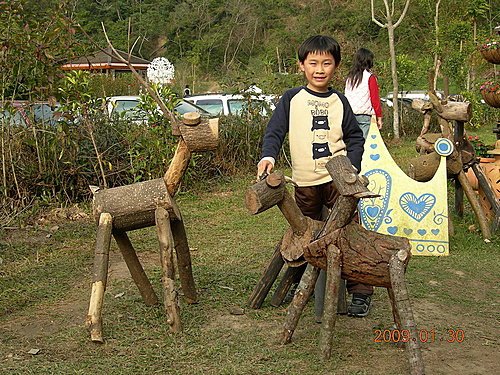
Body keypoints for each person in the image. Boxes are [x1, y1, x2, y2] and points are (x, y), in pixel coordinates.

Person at [257, 35, 373, 318]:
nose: (320, 69)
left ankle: (360, 290)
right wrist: (268, 156)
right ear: (301, 66)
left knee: (350, 232)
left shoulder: (339, 101)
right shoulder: (291, 99)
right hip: (305, 183)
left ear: (336, 66)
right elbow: (274, 132)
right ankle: (303, 282)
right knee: (305, 233)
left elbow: (355, 138)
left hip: (339, 182)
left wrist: (351, 167)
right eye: (313, 63)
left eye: (327, 63)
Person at [344, 48, 383, 139]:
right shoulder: (370, 77)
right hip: (364, 115)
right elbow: (375, 99)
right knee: (363, 143)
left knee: (352, 143)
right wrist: (379, 116)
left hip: (350, 114)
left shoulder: (350, 78)